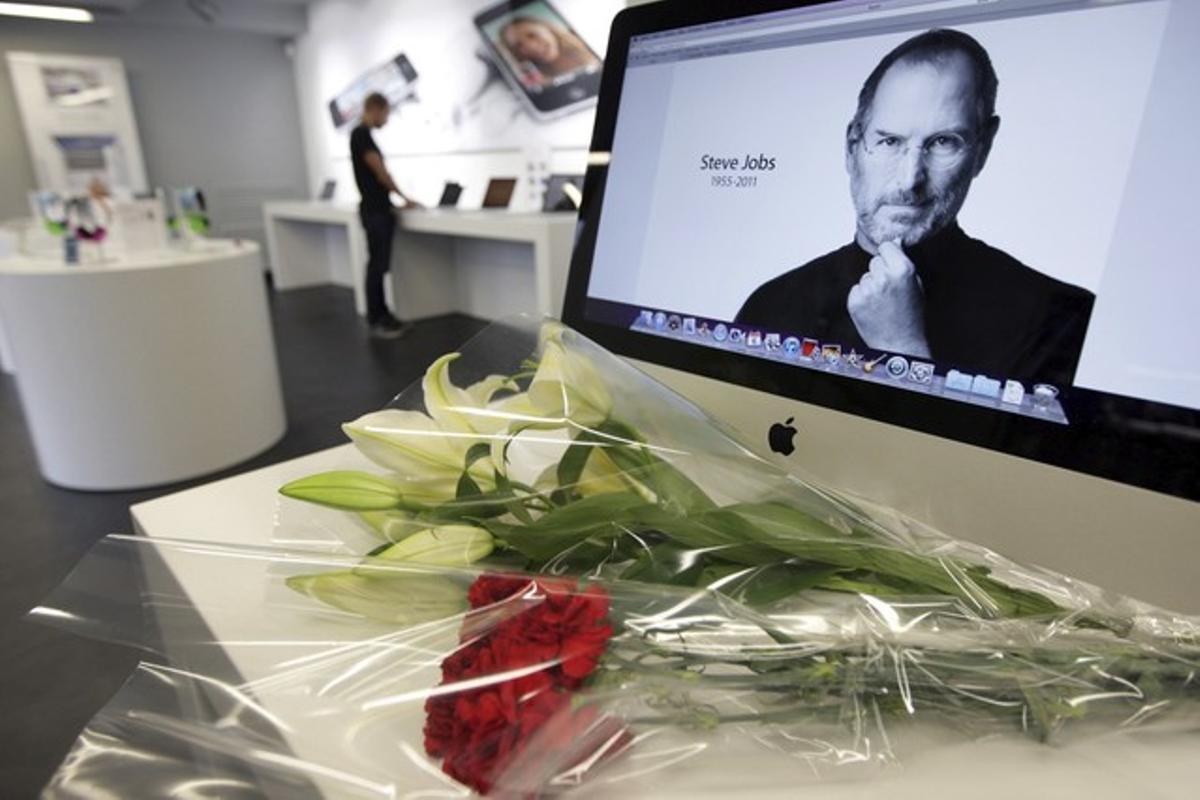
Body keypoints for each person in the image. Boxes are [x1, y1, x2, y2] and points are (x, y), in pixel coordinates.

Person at [736, 29, 1094, 389]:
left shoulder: (1061, 320)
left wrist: (901, 350)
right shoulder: (769, 304)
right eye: (890, 141)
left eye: (943, 142)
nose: (909, 181)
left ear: (982, 150)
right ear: (852, 147)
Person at [350, 91, 422, 339]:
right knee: (377, 267)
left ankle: (381, 316)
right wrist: (403, 197)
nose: (387, 119)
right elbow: (380, 173)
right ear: (375, 109)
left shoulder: (360, 135)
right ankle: (379, 318)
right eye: (386, 113)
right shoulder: (361, 135)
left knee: (377, 267)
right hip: (376, 212)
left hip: (377, 209)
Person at [499, 16, 598, 86]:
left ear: (548, 29)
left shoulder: (589, 41)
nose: (532, 47)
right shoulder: (536, 81)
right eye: (518, 45)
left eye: (532, 35)